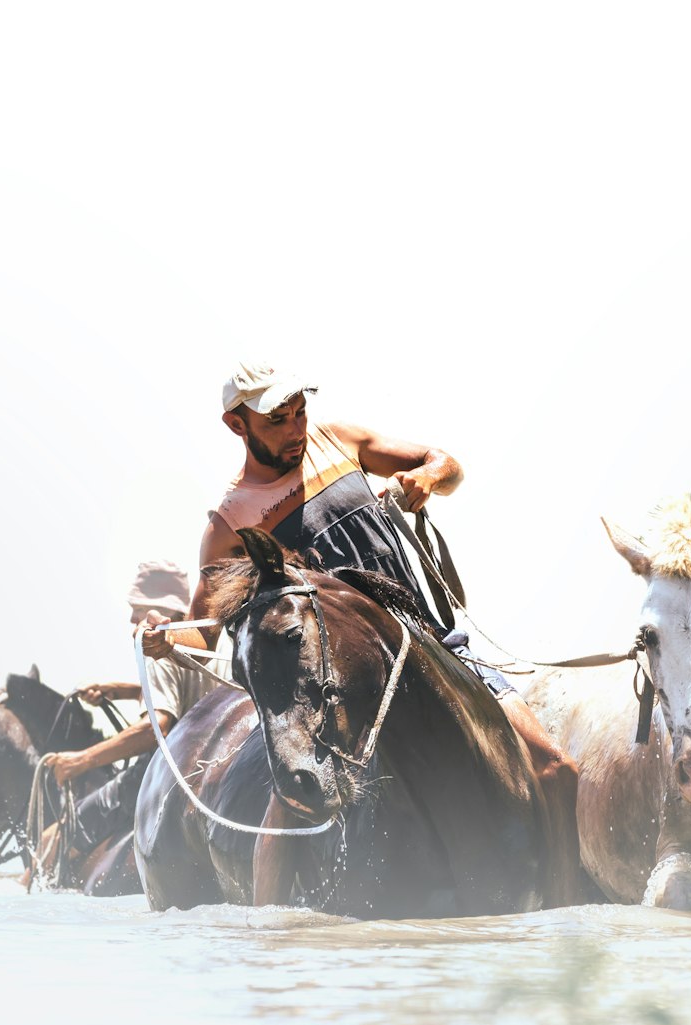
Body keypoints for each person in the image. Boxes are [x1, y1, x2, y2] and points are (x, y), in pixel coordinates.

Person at [141, 361, 584, 905]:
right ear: (239, 426)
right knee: (291, 806)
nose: (296, 427)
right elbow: (206, 632)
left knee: (558, 770)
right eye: (278, 419)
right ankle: (272, 936)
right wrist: (166, 638)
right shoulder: (230, 522)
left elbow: (444, 464)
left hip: (433, 648)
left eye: (300, 411)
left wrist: (428, 479)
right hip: (338, 689)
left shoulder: (340, 441)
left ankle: (565, 915)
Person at [25, 561, 231, 883]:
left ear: (157, 609)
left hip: (166, 771)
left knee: (60, 832)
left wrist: (79, 762)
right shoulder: (204, 640)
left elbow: (156, 727)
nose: (132, 619)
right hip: (213, 762)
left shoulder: (156, 642)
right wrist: (121, 690)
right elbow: (188, 696)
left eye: (136, 608)